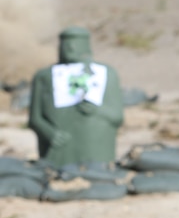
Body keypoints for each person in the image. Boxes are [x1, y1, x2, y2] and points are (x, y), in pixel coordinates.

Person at [28, 26, 124, 167]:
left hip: (96, 150)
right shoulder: (43, 76)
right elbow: (34, 118)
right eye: (66, 43)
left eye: (76, 43)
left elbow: (117, 117)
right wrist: (49, 133)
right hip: (58, 153)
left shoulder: (107, 73)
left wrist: (97, 110)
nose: (71, 48)